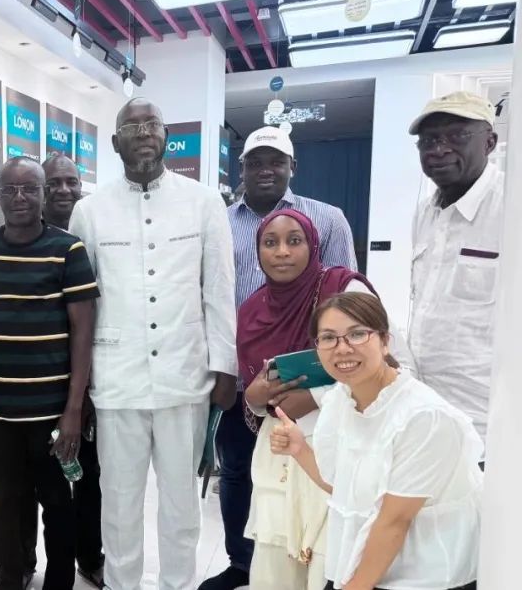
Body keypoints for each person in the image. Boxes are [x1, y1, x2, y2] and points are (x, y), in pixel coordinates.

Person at [69, 98, 238, 590]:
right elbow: (81, 304)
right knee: (118, 504)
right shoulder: (90, 211)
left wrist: (225, 366)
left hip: (186, 377)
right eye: (132, 126)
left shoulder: (203, 202)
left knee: (181, 506)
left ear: (167, 137)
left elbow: (218, 289)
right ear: (115, 141)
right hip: (116, 380)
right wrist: (80, 390)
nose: (143, 132)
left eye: (152, 125)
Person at [204, 126, 358, 590]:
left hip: (319, 379)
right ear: (241, 168)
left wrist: (324, 383)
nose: (265, 170)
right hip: (245, 370)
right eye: (255, 162)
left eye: (276, 161)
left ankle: (319, 563)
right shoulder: (220, 221)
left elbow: (348, 300)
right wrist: (223, 371)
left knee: (319, 472)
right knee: (241, 470)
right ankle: (244, 562)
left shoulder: (326, 218)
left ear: (294, 166)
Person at [237, 209, 410, 590]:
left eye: (294, 240)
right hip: (278, 451)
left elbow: (396, 367)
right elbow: (257, 393)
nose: (282, 251)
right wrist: (253, 398)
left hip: (341, 449)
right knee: (275, 567)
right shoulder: (252, 309)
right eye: (270, 242)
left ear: (313, 244)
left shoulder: (344, 290)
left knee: (330, 560)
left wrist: (316, 396)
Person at [271, 292, 481, 590]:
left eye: (357, 334)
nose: (342, 348)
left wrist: (356, 585)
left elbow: (395, 520)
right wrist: (300, 449)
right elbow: (344, 487)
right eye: (328, 338)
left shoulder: (424, 418)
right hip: (365, 564)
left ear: (385, 341)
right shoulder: (341, 400)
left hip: (426, 576)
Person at [0, 156, 98, 590]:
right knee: (2, 503)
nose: (19, 197)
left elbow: (83, 331)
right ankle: (8, 577)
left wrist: (73, 409)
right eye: (10, 189)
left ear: (43, 194)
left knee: (57, 503)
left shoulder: (68, 250)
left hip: (52, 413)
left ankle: (59, 581)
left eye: (29, 189)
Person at [408, 91, 503, 447]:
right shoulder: (425, 212)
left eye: (457, 135)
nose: (439, 149)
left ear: (489, 142)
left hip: (490, 420)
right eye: (429, 140)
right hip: (426, 408)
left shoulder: (510, 206)